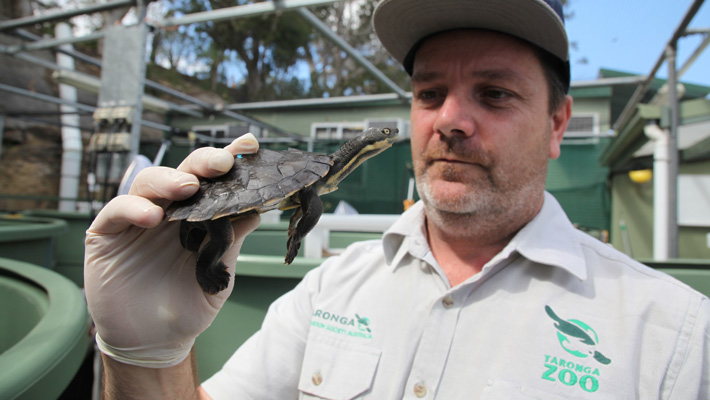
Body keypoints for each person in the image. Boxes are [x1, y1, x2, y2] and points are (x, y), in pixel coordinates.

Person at [84, 0, 710, 398]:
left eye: (494, 94)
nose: (451, 120)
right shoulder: (333, 287)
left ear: (557, 123)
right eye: (429, 93)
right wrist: (144, 357)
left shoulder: (673, 336)